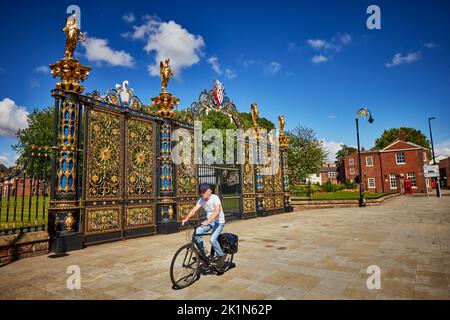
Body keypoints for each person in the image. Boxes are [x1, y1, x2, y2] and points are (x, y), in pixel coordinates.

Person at [182, 184, 226, 268]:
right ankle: (204, 255)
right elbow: (194, 210)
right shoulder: (201, 200)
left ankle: (221, 256)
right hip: (209, 222)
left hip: (218, 222)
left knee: (212, 239)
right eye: (201, 192)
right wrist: (186, 218)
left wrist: (208, 221)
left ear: (209, 192)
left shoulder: (215, 198)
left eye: (204, 192)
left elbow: (217, 211)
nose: (202, 194)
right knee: (197, 233)